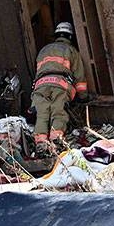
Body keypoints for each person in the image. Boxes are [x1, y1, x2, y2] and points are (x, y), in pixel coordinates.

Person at [32, 22, 91, 154]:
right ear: (70, 37)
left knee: (42, 114)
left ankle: (41, 143)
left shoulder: (43, 50)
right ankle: (56, 142)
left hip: (40, 86)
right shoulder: (71, 51)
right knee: (58, 112)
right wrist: (83, 97)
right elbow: (79, 77)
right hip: (60, 85)